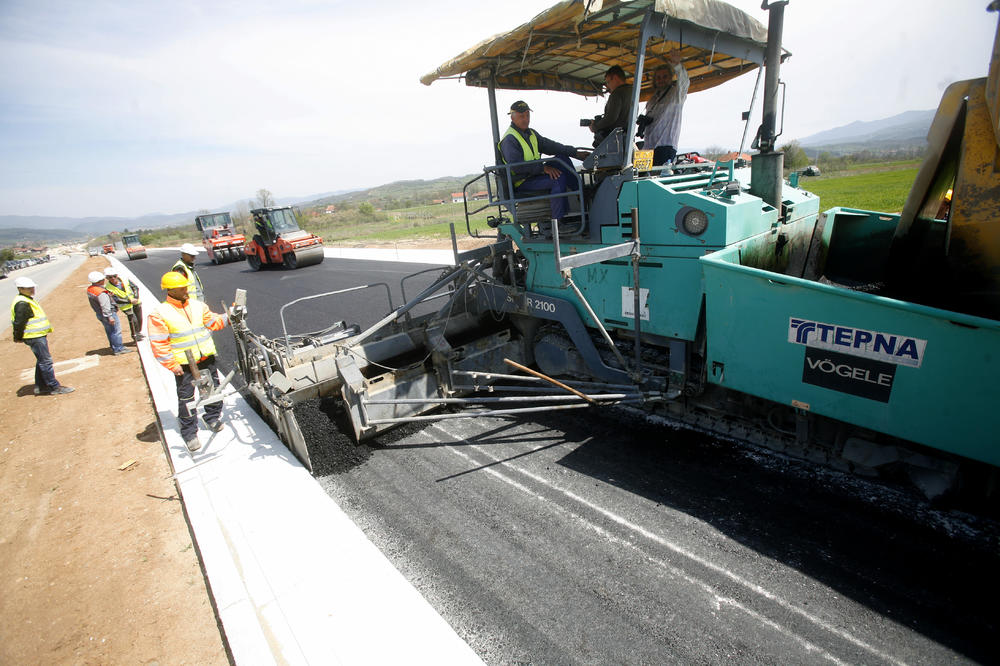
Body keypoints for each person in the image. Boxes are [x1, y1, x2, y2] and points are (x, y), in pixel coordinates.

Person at [148, 271, 229, 452]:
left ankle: (212, 418)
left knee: (212, 390)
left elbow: (213, 322)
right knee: (186, 398)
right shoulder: (160, 313)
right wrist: (172, 365)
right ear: (170, 290)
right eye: (182, 288)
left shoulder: (198, 306)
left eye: (186, 286)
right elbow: (158, 343)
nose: (186, 290)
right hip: (184, 365)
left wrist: (230, 316)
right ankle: (190, 433)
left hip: (205, 358)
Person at [498, 100, 590, 223]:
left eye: (527, 115)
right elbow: (516, 166)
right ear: (513, 118)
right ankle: (558, 224)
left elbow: (551, 146)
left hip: (534, 174)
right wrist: (543, 168)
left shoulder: (531, 134)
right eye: (522, 116)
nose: (526, 119)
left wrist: (575, 153)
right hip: (522, 181)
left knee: (562, 159)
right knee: (557, 180)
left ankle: (581, 194)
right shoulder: (510, 139)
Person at [10, 276, 74, 395]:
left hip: (36, 335)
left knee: (42, 361)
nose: (32, 290)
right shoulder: (22, 303)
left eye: (32, 287)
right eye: (29, 288)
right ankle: (53, 387)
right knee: (46, 362)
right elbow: (18, 323)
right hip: (34, 336)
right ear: (20, 289)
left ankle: (40, 386)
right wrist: (17, 337)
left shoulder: (25, 299)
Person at [641, 51, 690, 166]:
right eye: (658, 77)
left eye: (664, 76)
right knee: (640, 179)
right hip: (648, 146)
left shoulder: (675, 94)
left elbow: (684, 82)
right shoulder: (653, 99)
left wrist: (677, 65)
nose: (661, 79)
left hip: (664, 146)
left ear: (671, 78)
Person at [87, 270, 132, 355]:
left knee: (110, 331)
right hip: (108, 314)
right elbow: (105, 306)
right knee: (115, 331)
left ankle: (114, 346)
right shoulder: (100, 292)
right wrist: (110, 316)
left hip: (100, 314)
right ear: (99, 280)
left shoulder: (91, 289)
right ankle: (119, 349)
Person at [589, 65, 633, 146]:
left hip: (614, 141)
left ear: (615, 78)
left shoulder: (617, 93)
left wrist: (595, 126)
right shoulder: (632, 92)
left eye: (608, 82)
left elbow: (611, 118)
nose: (608, 86)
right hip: (627, 139)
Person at [104, 266, 144, 341]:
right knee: (133, 320)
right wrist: (129, 301)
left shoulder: (125, 280)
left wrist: (136, 297)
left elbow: (135, 287)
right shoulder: (108, 288)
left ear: (117, 275)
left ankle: (138, 332)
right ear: (107, 278)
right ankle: (135, 335)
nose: (113, 278)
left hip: (136, 302)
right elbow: (115, 299)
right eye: (110, 277)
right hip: (126, 306)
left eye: (114, 276)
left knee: (139, 319)